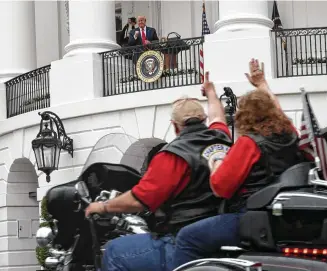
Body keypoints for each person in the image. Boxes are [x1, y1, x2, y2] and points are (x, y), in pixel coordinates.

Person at [85, 72, 232, 271]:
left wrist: (102, 207)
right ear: (203, 120)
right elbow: (218, 116)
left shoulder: (173, 155)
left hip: (181, 239)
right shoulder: (221, 139)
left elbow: (139, 200)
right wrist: (211, 93)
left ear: (175, 126)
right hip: (218, 232)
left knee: (114, 251)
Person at [171, 59, 307, 268]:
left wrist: (216, 162)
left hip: (249, 216)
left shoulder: (249, 143)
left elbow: (220, 187)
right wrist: (261, 85)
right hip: (279, 216)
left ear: (243, 116)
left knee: (186, 237)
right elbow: (277, 108)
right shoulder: (289, 132)